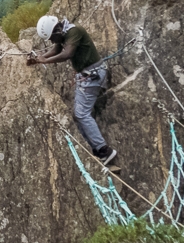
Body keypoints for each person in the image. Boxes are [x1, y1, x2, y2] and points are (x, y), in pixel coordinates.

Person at [27, 14, 117, 168]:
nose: (51, 41)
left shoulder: (74, 33)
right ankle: (95, 147)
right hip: (89, 75)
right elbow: (56, 49)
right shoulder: (63, 34)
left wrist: (44, 61)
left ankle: (104, 150)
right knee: (79, 113)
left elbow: (67, 54)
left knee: (81, 113)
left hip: (93, 75)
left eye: (51, 37)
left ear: (55, 31)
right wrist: (38, 59)